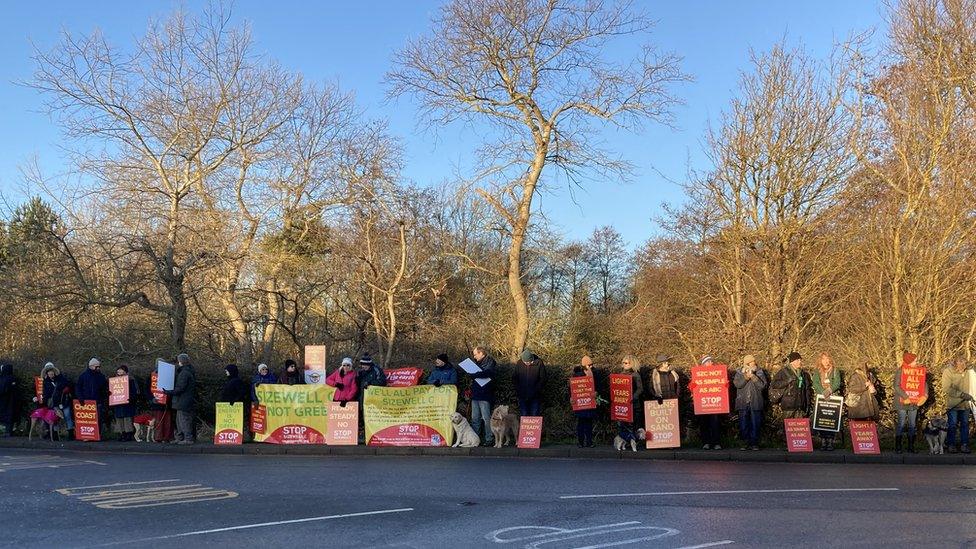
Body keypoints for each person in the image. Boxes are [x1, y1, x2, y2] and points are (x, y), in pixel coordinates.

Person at [770, 352, 812, 438]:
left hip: (800, 404)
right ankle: (787, 444)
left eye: (800, 360)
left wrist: (807, 404)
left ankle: (798, 446)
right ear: (792, 362)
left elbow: (807, 390)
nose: (800, 362)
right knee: (787, 427)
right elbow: (775, 384)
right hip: (788, 404)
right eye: (798, 360)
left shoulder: (804, 374)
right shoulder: (783, 372)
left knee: (799, 428)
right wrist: (787, 381)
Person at [893, 353, 927, 454]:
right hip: (902, 402)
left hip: (915, 402)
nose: (916, 362)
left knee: (912, 425)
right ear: (909, 361)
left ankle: (911, 447)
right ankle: (898, 447)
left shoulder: (919, 371)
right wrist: (905, 397)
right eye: (915, 361)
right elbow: (896, 386)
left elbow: (924, 384)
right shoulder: (901, 371)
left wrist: (925, 395)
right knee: (901, 424)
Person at [733, 354, 767, 451]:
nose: (753, 363)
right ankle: (744, 443)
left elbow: (762, 386)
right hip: (743, 401)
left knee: (755, 423)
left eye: (753, 362)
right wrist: (746, 377)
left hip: (755, 401)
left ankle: (754, 443)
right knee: (743, 424)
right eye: (751, 362)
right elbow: (737, 384)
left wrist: (753, 376)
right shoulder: (739, 372)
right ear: (746, 363)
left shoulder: (759, 372)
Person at [811, 352, 843, 451]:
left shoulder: (835, 370)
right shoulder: (817, 371)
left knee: (831, 420)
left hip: (833, 398)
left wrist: (829, 391)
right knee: (822, 420)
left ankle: (830, 442)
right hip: (821, 398)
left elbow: (837, 383)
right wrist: (822, 392)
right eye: (823, 359)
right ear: (820, 360)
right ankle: (823, 441)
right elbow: (815, 383)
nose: (825, 361)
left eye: (827, 358)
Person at [692, 355, 725, 450]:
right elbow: (693, 386)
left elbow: (722, 383)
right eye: (709, 361)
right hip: (703, 403)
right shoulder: (698, 373)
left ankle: (716, 443)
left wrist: (725, 385)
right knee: (704, 423)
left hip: (715, 403)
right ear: (704, 363)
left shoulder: (718, 372)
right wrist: (692, 386)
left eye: (711, 361)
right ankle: (706, 442)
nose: (711, 363)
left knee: (715, 423)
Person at [941, 357, 973, 454]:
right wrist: (962, 395)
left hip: (966, 404)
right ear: (956, 365)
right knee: (952, 425)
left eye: (964, 366)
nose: (963, 369)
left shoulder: (968, 372)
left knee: (965, 425)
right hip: (953, 404)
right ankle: (951, 444)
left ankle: (964, 444)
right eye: (961, 367)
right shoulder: (948, 372)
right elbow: (946, 388)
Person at [37, 362, 74, 440]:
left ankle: (71, 434)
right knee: (55, 419)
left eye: (52, 372)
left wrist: (66, 389)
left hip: (64, 401)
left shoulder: (61, 378)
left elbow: (69, 385)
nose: (51, 374)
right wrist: (42, 401)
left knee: (67, 417)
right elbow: (46, 393)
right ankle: (55, 435)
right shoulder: (46, 382)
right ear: (47, 373)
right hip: (55, 404)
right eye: (49, 373)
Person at [166, 353, 197, 445]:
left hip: (183, 400)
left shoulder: (184, 373)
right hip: (184, 400)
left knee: (183, 420)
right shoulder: (189, 371)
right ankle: (180, 437)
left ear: (180, 361)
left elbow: (180, 388)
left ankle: (188, 438)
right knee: (179, 420)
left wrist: (169, 392)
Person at [470, 346, 496, 447]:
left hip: (485, 394)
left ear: (481, 353)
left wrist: (475, 374)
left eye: (476, 354)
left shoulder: (490, 362)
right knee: (475, 418)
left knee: (486, 418)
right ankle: (475, 439)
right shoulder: (477, 363)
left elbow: (488, 373)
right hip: (476, 393)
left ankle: (489, 438)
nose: (474, 356)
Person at [617, 355, 645, 447]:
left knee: (634, 425)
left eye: (626, 363)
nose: (624, 364)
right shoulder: (620, 375)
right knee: (624, 425)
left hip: (634, 404)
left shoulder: (636, 375)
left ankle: (634, 442)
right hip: (623, 405)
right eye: (623, 362)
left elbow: (640, 389)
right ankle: (626, 441)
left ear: (632, 364)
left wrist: (633, 397)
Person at [76, 358, 109, 432]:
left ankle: (97, 434)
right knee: (87, 420)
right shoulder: (83, 376)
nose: (98, 368)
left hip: (98, 401)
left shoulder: (101, 376)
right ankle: (88, 435)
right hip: (86, 402)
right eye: (97, 366)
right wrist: (80, 398)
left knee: (98, 418)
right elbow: (78, 387)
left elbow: (104, 388)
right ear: (91, 366)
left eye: (99, 366)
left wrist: (106, 395)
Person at [109, 365, 140, 442]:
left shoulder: (131, 380)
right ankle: (121, 433)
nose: (119, 372)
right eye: (118, 371)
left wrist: (131, 399)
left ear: (125, 372)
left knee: (127, 419)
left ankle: (128, 434)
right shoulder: (114, 381)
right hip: (118, 403)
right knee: (119, 419)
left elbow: (135, 392)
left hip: (127, 403)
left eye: (121, 370)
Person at [512, 349, 546, 417]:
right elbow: (514, 377)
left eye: (528, 362)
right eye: (524, 362)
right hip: (522, 395)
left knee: (534, 415)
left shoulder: (539, 363)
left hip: (535, 395)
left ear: (532, 359)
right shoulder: (519, 363)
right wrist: (518, 389)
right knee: (524, 415)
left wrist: (537, 390)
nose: (526, 364)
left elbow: (543, 378)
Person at [572, 365, 596, 448]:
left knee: (584, 424)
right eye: (589, 366)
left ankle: (584, 442)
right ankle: (585, 442)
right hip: (584, 404)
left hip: (585, 404)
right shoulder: (579, 376)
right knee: (584, 424)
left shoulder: (576, 375)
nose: (590, 367)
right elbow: (573, 390)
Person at [0, 364, 18, 437]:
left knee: (4, 415)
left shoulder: (2, 378)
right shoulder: (13, 378)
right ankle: (9, 431)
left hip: (3, 400)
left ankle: (5, 431)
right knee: (10, 415)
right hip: (12, 400)